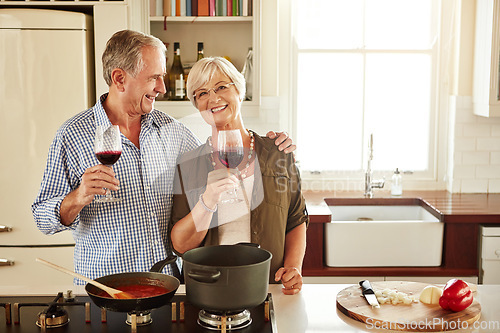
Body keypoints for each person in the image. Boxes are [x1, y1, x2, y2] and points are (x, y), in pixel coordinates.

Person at [32, 30, 294, 284]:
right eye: (154, 78)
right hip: (106, 288)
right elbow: (42, 218)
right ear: (120, 78)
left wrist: (271, 146)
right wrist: (78, 197)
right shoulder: (73, 134)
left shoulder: (175, 132)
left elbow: (218, 160)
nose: (162, 87)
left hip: (169, 287)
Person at [169, 57, 308, 295]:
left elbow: (296, 219)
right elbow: (180, 245)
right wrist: (208, 200)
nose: (213, 98)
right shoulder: (188, 165)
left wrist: (293, 267)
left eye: (222, 87)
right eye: (202, 93)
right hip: (209, 292)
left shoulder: (278, 153)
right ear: (197, 104)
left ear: (240, 91)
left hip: (268, 288)